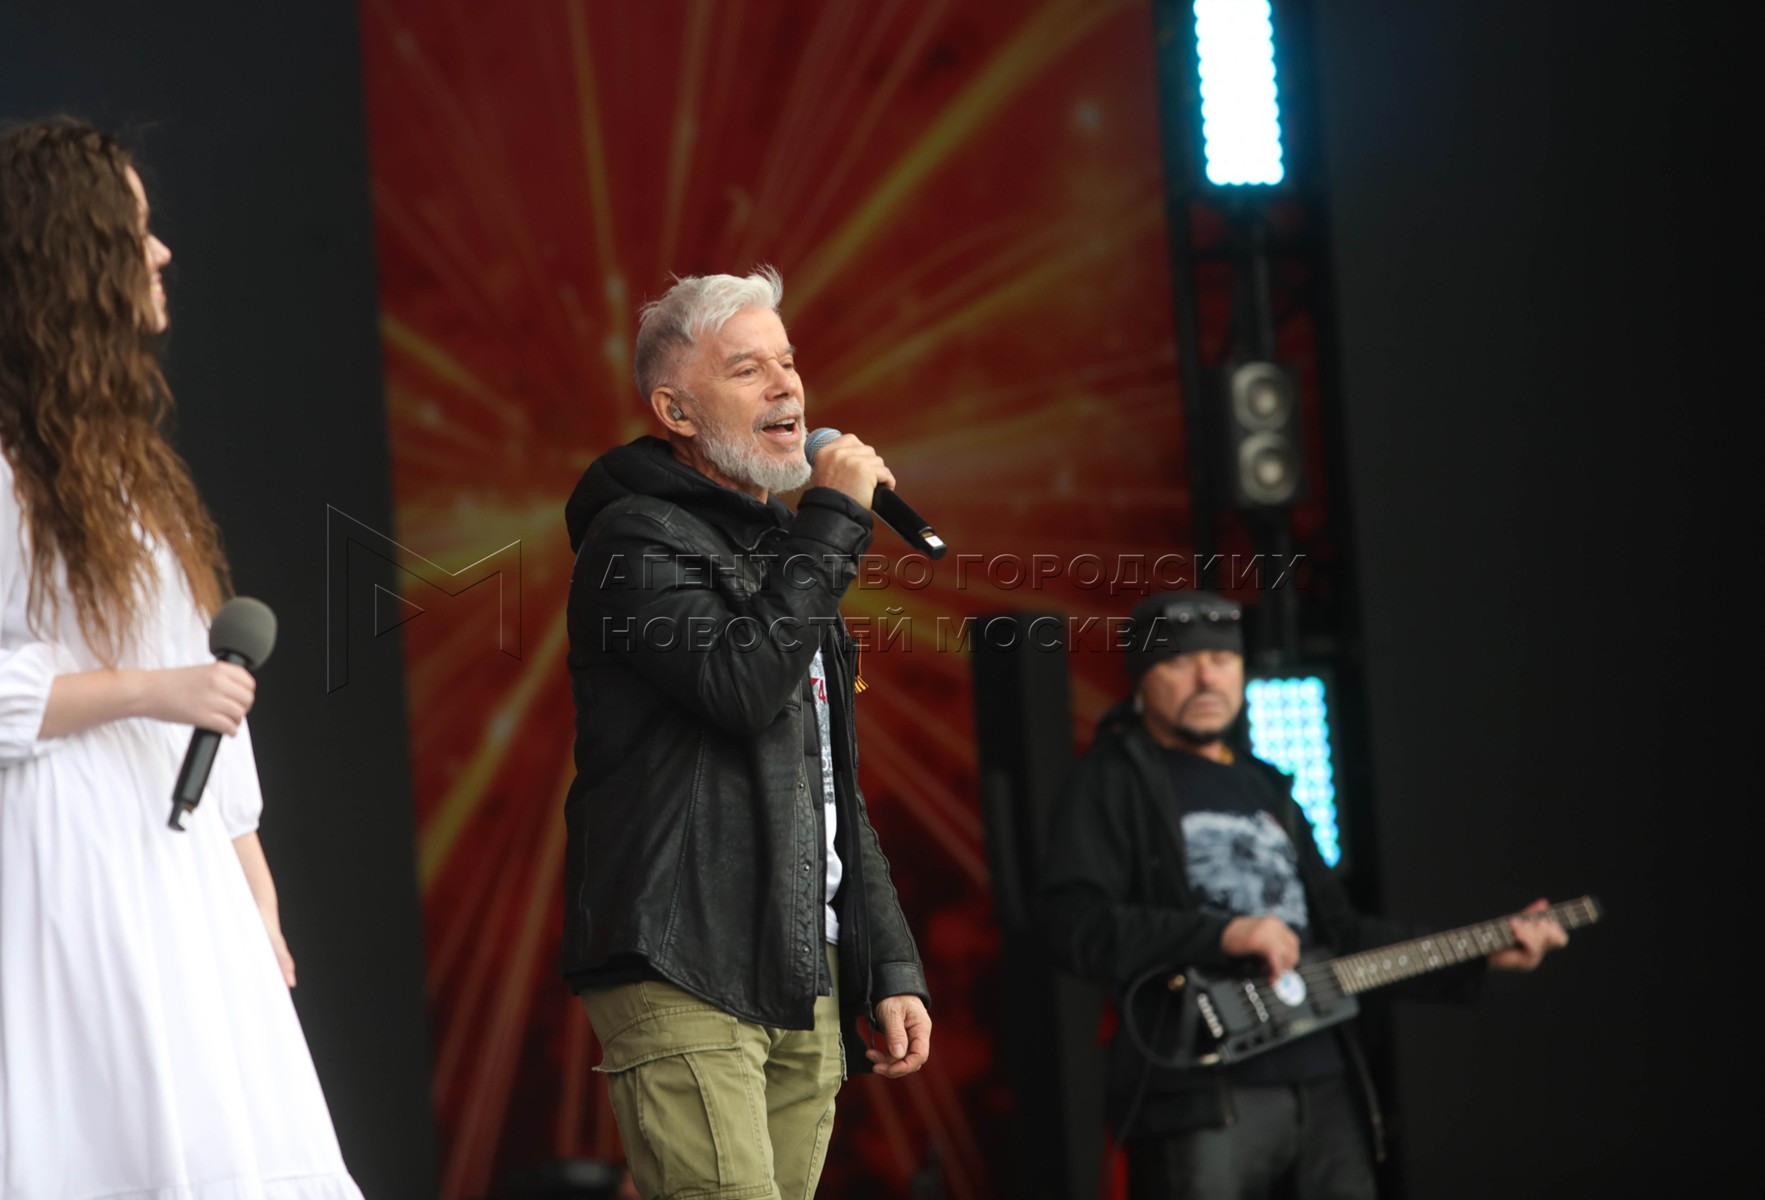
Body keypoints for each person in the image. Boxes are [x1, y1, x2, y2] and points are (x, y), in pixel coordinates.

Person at [0, 119, 361, 1200]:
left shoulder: (128, 475)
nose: (161, 251)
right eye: (136, 231)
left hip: (180, 860)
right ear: (71, 256)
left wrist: (253, 886)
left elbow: (210, 698)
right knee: (106, 1139)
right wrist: (151, 691)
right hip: (69, 850)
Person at [561, 266, 932, 1200]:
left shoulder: (784, 551)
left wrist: (886, 958)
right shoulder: (633, 540)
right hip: (683, 953)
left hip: (804, 961)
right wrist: (834, 519)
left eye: (788, 362)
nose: (785, 386)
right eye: (747, 369)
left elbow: (829, 780)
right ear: (675, 411)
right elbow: (738, 687)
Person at [1036, 590, 1566, 1199]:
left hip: (1325, 1080)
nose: (1207, 677)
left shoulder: (1267, 785)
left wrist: (1481, 950)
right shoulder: (1108, 782)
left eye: (1222, 659)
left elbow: (1343, 935)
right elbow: (1071, 923)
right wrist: (1223, 934)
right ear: (1141, 677)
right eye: (1181, 661)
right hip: (1205, 1091)